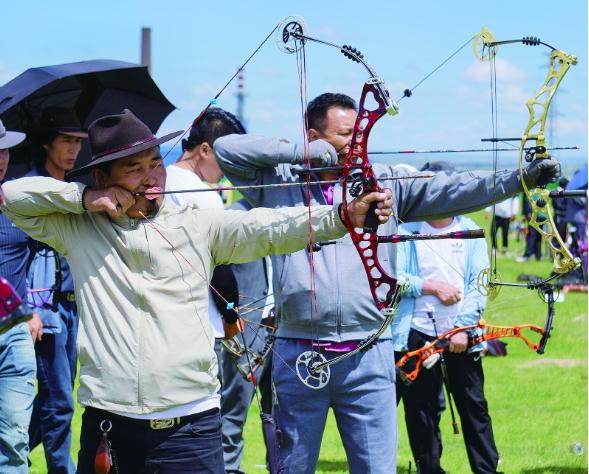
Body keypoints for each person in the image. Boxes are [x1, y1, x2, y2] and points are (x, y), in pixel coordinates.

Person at [0, 109, 392, 473]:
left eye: (155, 164)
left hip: (192, 428)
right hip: (110, 425)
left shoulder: (198, 224)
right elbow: (12, 198)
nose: (151, 177)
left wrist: (342, 215)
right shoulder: (78, 228)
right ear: (103, 178)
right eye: (133, 169)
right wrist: (83, 198)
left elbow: (268, 227)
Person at [214, 92, 561, 473]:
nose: (355, 145)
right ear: (313, 135)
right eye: (345, 136)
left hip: (369, 355)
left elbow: (456, 189)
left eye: (360, 134)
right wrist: (303, 153)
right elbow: (226, 149)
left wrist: (520, 179)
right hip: (300, 356)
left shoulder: (384, 183)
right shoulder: (277, 183)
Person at [165, 107, 274, 471]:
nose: (229, 170)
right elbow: (220, 269)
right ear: (206, 150)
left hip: (165, 325)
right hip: (202, 328)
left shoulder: (156, 180)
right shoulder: (205, 194)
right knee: (206, 419)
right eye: (228, 158)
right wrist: (231, 315)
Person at [393, 209, 499, 473]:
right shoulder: (407, 231)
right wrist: (431, 286)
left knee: (474, 407)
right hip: (416, 334)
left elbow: (479, 284)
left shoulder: (471, 230)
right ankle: (429, 469)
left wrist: (462, 329)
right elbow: (395, 279)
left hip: (461, 335)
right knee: (421, 410)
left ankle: (487, 469)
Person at [25, 107, 87, 473]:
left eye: (78, 142)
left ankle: (9, 441)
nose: (73, 150)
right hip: (44, 307)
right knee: (61, 401)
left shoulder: (77, 189)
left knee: (56, 399)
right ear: (47, 143)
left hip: (76, 306)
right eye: (66, 141)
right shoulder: (28, 191)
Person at [0, 119, 37, 473]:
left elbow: (55, 250)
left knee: (14, 440)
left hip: (13, 334)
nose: (1, 158)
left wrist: (36, 308)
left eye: (5, 149)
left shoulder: (19, 203)